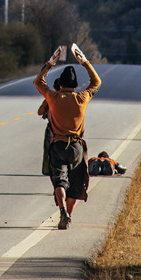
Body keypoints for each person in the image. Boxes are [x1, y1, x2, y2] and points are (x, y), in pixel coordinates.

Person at [34, 44, 101, 230]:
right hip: (77, 148)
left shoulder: (53, 97)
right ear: (74, 85)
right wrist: (84, 61)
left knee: (60, 181)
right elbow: (97, 82)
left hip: (57, 146)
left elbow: (38, 82)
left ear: (61, 85)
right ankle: (69, 215)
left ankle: (62, 211)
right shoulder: (82, 97)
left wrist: (50, 64)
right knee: (76, 185)